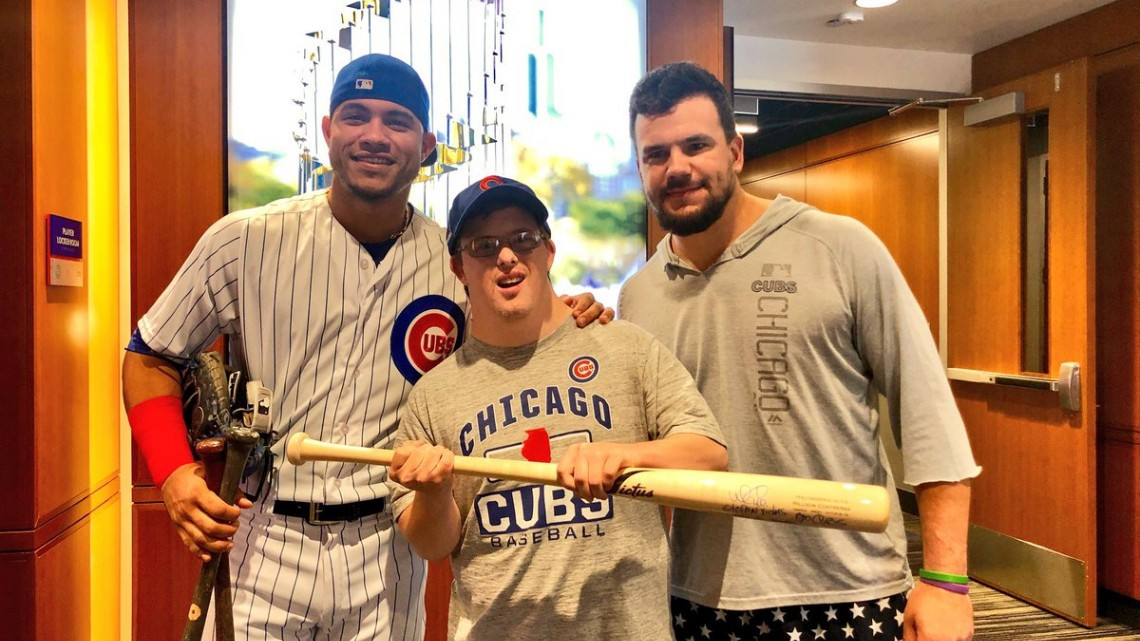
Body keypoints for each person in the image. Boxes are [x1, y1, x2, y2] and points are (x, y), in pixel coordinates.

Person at [121, 54, 609, 640]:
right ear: (327, 130)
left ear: (426, 145)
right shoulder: (244, 239)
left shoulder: (454, 262)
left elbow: (520, 318)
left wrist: (575, 308)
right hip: (266, 536)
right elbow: (150, 356)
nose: (375, 136)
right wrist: (174, 474)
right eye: (356, 116)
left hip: (387, 549)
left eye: (397, 122)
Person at [619, 61, 981, 641]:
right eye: (656, 154)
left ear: (735, 151)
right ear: (640, 168)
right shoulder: (637, 296)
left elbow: (928, 415)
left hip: (848, 594)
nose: (677, 168)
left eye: (696, 145)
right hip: (694, 599)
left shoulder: (840, 248)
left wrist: (946, 580)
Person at [386, 175, 728, 641]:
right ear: (459, 267)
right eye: (483, 246)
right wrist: (432, 492)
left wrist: (624, 456)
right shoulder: (433, 393)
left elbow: (708, 452)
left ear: (548, 252)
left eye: (523, 239)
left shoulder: (624, 347)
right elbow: (432, 544)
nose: (506, 256)